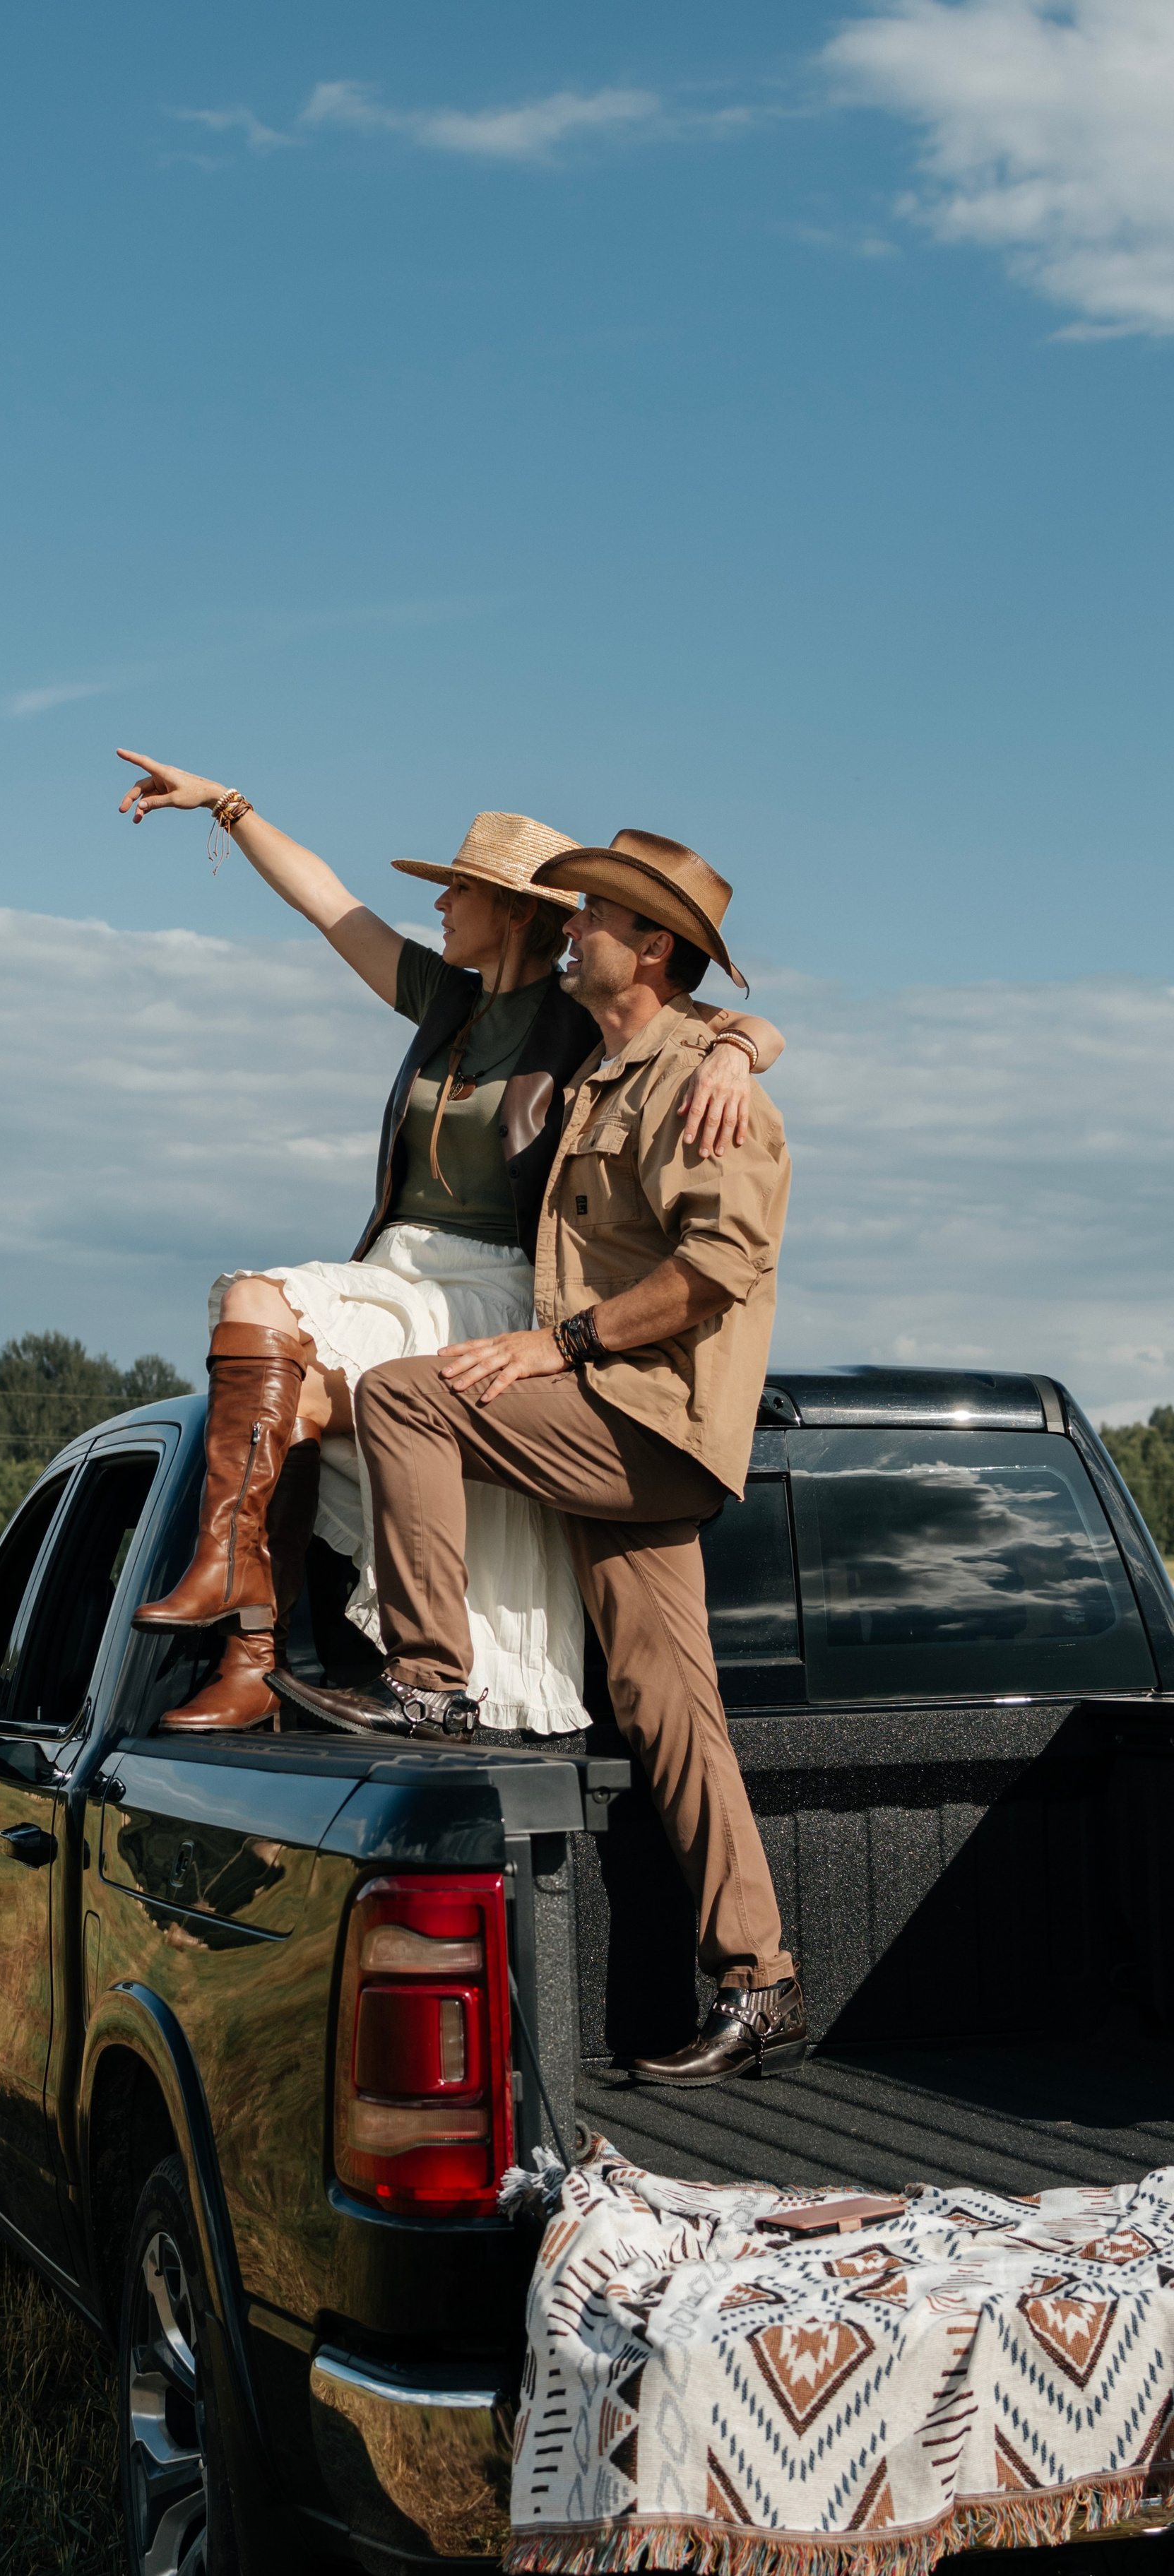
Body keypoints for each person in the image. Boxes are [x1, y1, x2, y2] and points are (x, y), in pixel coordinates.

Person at [115, 752, 788, 1749]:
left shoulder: (576, 1018)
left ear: (514, 909)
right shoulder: (445, 999)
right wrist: (226, 805)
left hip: (493, 1284)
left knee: (284, 1384)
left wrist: (739, 1051)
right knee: (257, 1322)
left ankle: (254, 1649)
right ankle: (242, 1617)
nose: (437, 908)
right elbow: (330, 906)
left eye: (455, 892)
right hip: (396, 1268)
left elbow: (727, 1022)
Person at [277, 829, 805, 2088]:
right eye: (565, 917)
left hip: (647, 1413)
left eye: (597, 921)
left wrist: (553, 1346)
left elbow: (720, 1267)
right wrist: (745, 1030)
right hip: (620, 1415)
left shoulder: (701, 1085)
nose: (572, 932)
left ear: (655, 948)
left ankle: (431, 1678)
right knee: (675, 1713)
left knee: (408, 1401)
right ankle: (762, 1979)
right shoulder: (614, 1062)